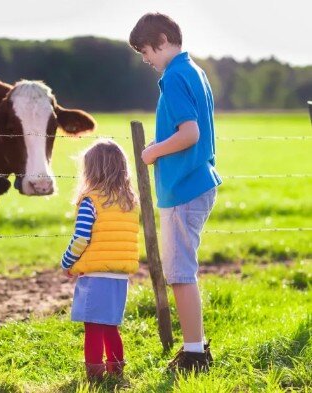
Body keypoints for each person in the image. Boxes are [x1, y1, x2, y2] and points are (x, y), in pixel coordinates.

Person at [129, 12, 222, 372]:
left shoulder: (175, 75)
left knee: (180, 274)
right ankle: (194, 348)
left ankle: (195, 354)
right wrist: (162, 143)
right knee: (181, 271)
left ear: (164, 39)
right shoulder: (193, 71)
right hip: (194, 181)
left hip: (184, 186)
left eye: (146, 50)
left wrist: (152, 151)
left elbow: (190, 134)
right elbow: (185, 131)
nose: (145, 59)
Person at [60, 139, 140, 382]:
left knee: (93, 326)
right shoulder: (128, 202)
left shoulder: (91, 200)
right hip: (120, 276)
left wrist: (67, 262)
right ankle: (116, 371)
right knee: (110, 326)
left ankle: (94, 374)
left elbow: (82, 237)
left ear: (90, 171)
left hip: (96, 276)